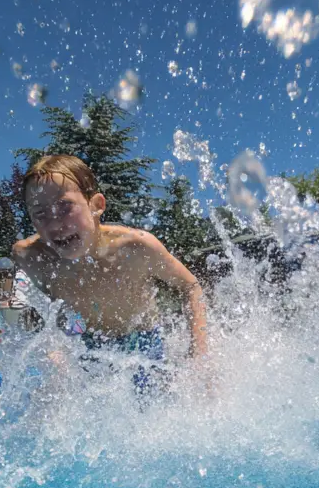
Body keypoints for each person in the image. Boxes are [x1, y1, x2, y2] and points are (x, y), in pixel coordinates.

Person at [11, 154, 209, 389]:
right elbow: (32, 311)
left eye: (64, 207)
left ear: (96, 206)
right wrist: (53, 349)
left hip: (144, 346)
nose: (54, 224)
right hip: (84, 347)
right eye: (40, 214)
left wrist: (201, 355)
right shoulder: (30, 257)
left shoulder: (136, 247)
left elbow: (190, 286)